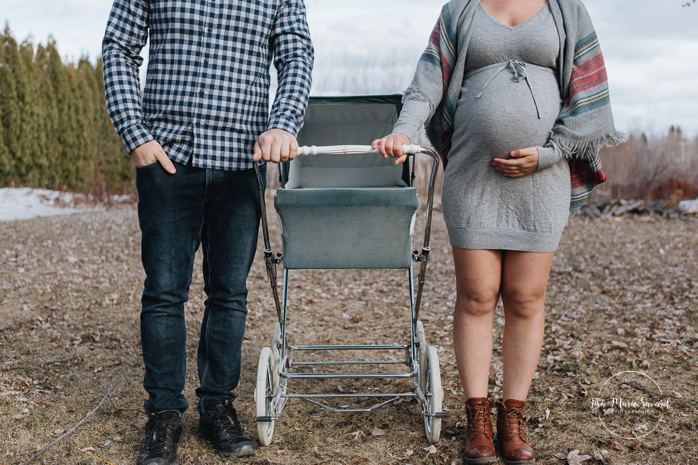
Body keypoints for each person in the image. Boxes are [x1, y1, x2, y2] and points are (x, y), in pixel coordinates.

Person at [373, 0, 622, 463]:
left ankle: (513, 417)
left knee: (526, 296)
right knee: (477, 295)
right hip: (473, 175)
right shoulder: (460, 10)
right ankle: (478, 418)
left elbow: (589, 92)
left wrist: (549, 154)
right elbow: (427, 83)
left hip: (542, 178)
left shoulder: (566, 10)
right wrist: (402, 131)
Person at [102, 0, 313, 463]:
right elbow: (119, 47)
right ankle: (163, 415)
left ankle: (217, 406)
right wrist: (133, 132)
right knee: (163, 292)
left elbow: (296, 55)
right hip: (168, 157)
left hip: (243, 161)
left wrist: (282, 123)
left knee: (229, 293)